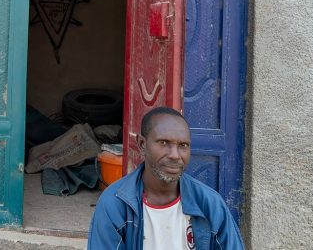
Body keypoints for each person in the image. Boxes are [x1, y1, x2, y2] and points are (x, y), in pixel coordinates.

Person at [87, 107, 244, 249]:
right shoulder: (114, 205)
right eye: (163, 143)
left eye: (183, 145)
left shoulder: (210, 204)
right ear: (142, 144)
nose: (175, 155)